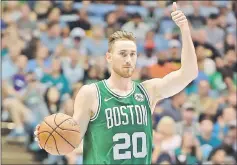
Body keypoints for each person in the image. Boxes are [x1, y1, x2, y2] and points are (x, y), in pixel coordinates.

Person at [35, 2, 198, 164]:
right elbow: (73, 140)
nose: (128, 59)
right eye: (123, 54)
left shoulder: (148, 91)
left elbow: (189, 73)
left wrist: (184, 29)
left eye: (132, 54)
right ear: (109, 57)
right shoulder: (91, 93)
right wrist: (49, 134)